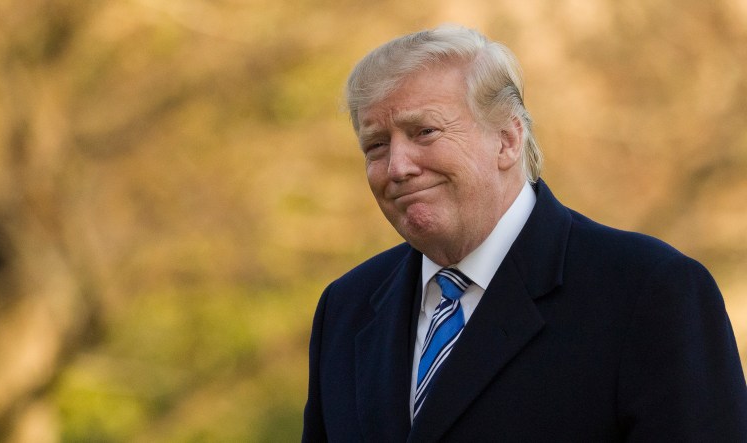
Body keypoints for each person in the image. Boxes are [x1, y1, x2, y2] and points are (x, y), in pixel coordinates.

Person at [302, 25, 747, 442]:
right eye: (376, 146)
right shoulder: (346, 309)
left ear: (507, 140)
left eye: (425, 132)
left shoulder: (648, 290)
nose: (397, 167)